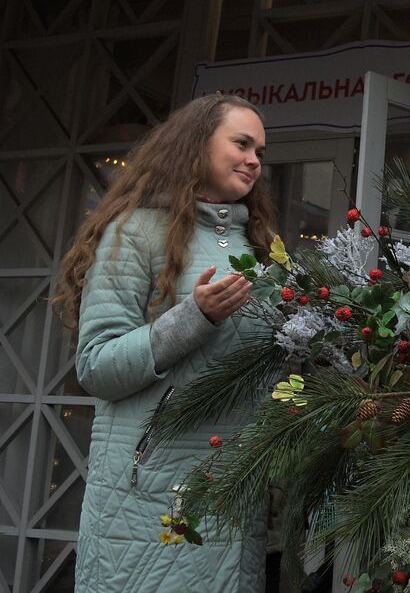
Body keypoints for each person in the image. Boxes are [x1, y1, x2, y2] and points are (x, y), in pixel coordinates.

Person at [53, 94, 276, 591]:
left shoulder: (259, 246)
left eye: (260, 150)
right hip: (151, 499)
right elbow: (96, 366)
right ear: (197, 146)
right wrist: (194, 317)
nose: (254, 159)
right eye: (241, 143)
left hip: (235, 493)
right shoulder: (133, 233)